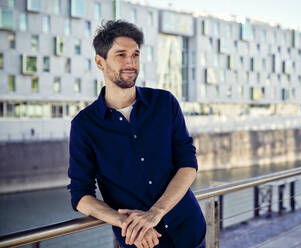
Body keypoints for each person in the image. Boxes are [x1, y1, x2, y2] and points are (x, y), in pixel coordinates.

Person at [67, 20, 206, 248]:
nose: (131, 62)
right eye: (121, 54)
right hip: (140, 242)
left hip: (189, 230)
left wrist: (155, 213)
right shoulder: (84, 125)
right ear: (100, 62)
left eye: (135, 54)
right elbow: (80, 195)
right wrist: (126, 223)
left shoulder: (165, 103)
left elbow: (188, 163)